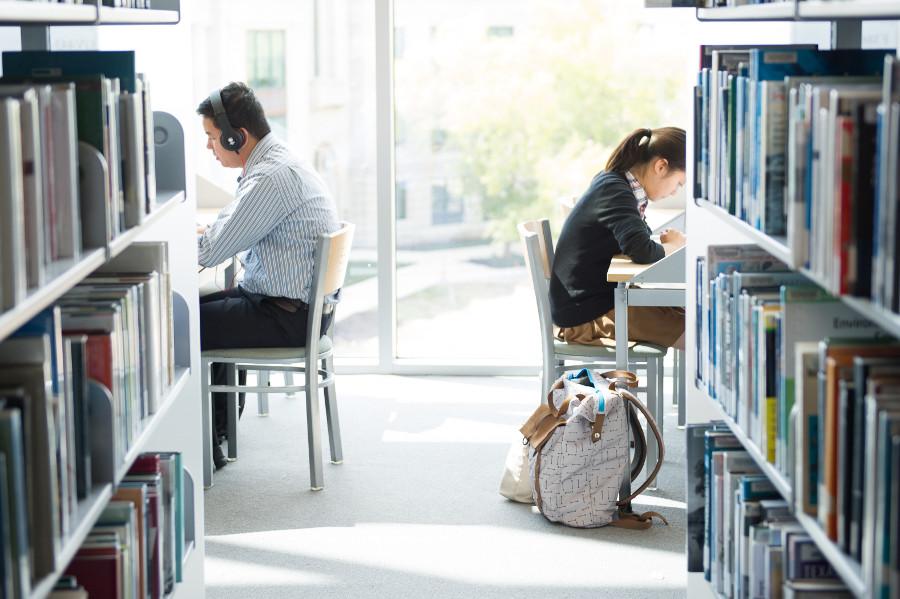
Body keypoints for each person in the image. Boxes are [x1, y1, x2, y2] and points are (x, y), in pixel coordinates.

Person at [196, 82, 339, 470]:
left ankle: (205, 444)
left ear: (235, 136)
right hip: (298, 311)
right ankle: (220, 434)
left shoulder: (269, 179)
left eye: (212, 138)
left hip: (285, 316)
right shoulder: (276, 163)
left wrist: (179, 243)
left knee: (182, 324)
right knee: (198, 309)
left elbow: (211, 251)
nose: (210, 147)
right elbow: (231, 223)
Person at [549, 126, 687, 350]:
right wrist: (673, 246)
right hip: (586, 317)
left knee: (688, 315)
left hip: (594, 303)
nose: (675, 192)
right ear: (661, 166)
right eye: (679, 183)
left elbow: (636, 238)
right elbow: (641, 249)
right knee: (697, 332)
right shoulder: (615, 191)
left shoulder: (616, 185)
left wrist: (666, 245)